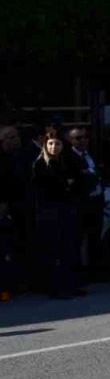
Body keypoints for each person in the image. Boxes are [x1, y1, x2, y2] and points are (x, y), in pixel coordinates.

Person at [30, 134, 85, 298]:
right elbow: (44, 189)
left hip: (66, 210)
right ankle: (55, 288)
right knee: (54, 251)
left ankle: (70, 285)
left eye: (58, 144)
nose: (54, 147)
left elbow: (77, 182)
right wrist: (64, 185)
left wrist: (68, 185)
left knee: (69, 248)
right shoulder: (40, 164)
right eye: (51, 143)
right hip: (49, 212)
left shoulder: (66, 162)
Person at [66, 127, 107, 281]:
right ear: (71, 140)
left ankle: (95, 272)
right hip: (80, 204)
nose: (83, 140)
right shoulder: (69, 157)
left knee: (95, 238)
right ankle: (77, 274)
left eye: (85, 137)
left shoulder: (91, 154)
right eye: (78, 138)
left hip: (96, 201)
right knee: (77, 240)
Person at [0, 125, 22, 301]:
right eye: (10, 137)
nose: (15, 140)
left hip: (17, 208)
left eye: (16, 136)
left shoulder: (18, 157)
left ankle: (11, 286)